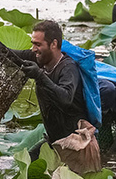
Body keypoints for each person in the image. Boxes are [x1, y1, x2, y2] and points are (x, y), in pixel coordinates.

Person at [12, 20, 89, 160]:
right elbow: (11, 55)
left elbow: (65, 99)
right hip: (53, 142)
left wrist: (40, 76)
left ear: (53, 44)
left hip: (74, 144)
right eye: (32, 43)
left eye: (38, 44)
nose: (33, 49)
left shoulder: (68, 68)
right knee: (23, 165)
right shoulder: (39, 59)